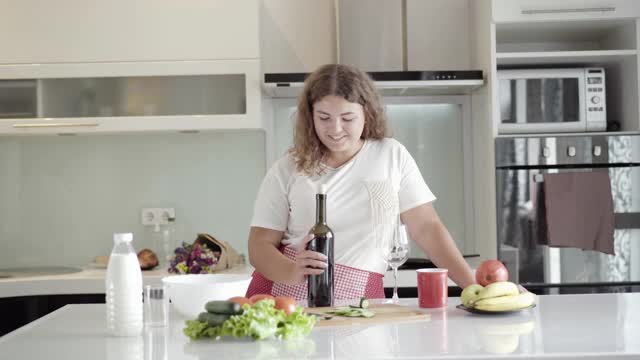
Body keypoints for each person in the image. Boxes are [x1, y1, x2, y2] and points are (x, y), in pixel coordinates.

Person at [246, 64, 475, 300]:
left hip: (362, 299)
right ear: (310, 116)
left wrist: (473, 287)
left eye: (347, 118)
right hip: (287, 299)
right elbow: (259, 244)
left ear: (367, 114)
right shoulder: (288, 168)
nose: (335, 129)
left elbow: (427, 228)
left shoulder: (391, 155)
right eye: (324, 117)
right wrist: (292, 271)